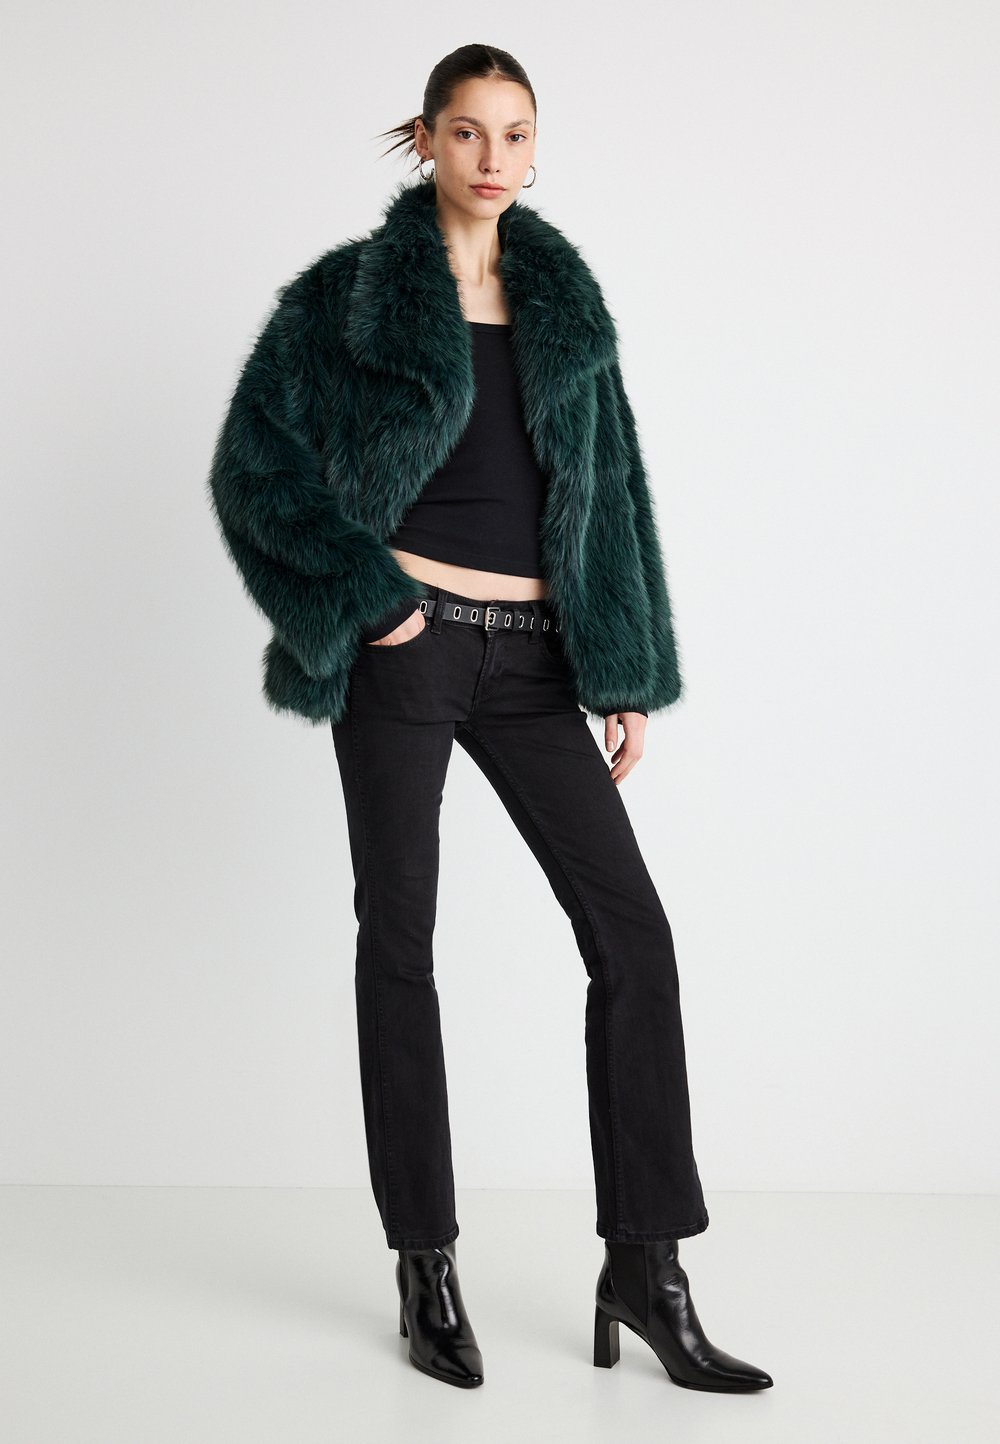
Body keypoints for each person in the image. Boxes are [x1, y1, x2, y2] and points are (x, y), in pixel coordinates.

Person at [207, 43, 773, 1395]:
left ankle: (647, 1268)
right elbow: (253, 469)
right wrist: (370, 602)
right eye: (467, 132)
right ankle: (426, 1264)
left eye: (515, 133)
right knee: (400, 943)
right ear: (426, 140)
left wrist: (622, 663)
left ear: (534, 146)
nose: (493, 158)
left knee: (633, 938)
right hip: (407, 650)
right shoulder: (346, 298)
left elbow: (613, 486)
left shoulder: (567, 308)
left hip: (534, 663)